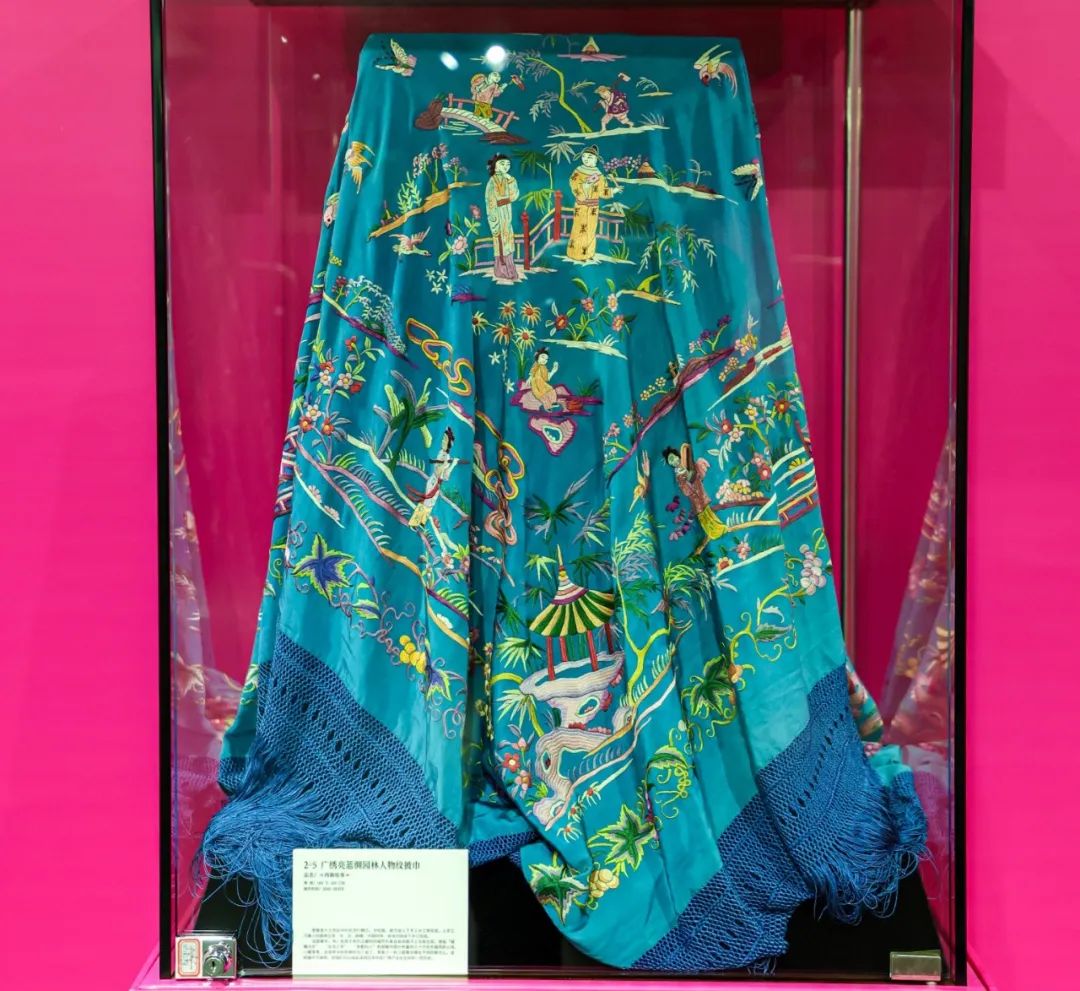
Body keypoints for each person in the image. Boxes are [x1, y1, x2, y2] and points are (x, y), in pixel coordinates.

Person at [566, 145, 620, 263]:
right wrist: (584, 186)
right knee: (579, 229)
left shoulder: (599, 175)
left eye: (589, 157)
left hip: (593, 207)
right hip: (581, 206)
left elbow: (602, 191)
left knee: (591, 229)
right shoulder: (578, 171)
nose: (586, 159)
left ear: (595, 159)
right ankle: (576, 254)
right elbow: (573, 184)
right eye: (584, 157)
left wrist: (614, 190)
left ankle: (589, 253)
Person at [663, 443, 726, 540]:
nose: (673, 461)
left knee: (708, 511)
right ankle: (712, 533)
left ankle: (719, 527)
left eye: (673, 458)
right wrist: (688, 481)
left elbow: (698, 476)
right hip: (694, 497)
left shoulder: (686, 465)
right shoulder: (678, 475)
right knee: (702, 515)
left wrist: (693, 474)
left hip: (700, 491)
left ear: (677, 456)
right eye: (670, 461)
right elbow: (684, 489)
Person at [485, 154, 520, 282]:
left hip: (507, 215)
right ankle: (501, 271)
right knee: (500, 243)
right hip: (497, 215)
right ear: (495, 166)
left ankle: (511, 270)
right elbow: (490, 202)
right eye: (502, 164)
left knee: (508, 242)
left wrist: (510, 179)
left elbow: (514, 196)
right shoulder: (492, 182)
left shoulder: (508, 179)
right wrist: (494, 221)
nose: (506, 166)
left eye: (508, 164)